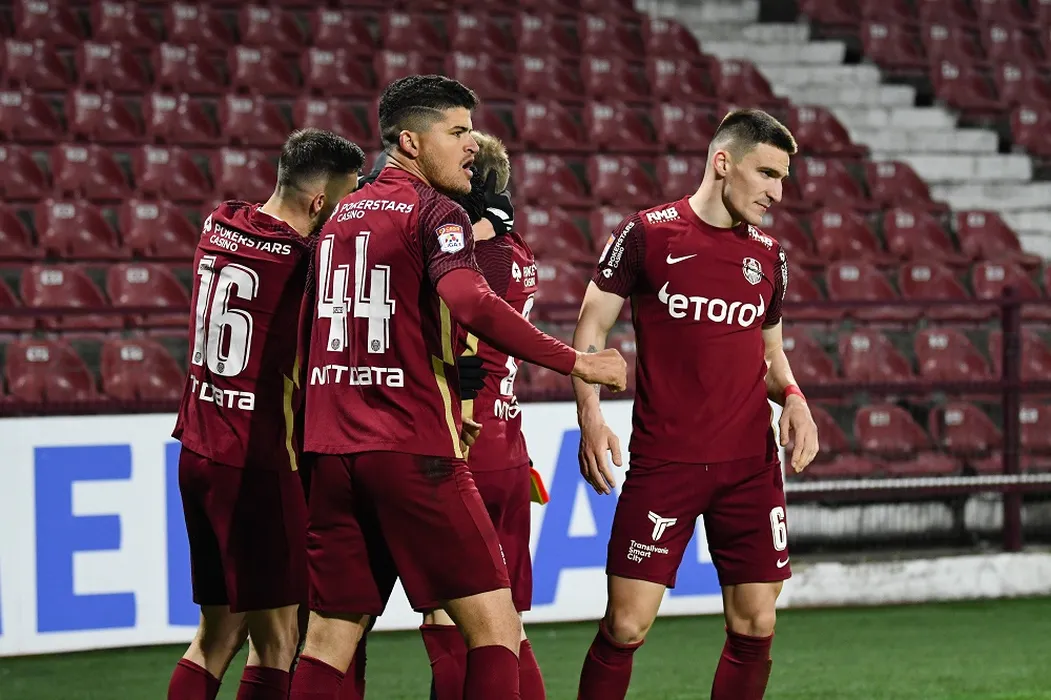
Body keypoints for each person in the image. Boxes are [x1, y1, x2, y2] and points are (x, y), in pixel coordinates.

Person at [288, 75, 626, 700]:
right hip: (412, 450)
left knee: (328, 640)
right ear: (410, 142)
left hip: (331, 453)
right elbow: (472, 302)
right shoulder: (435, 212)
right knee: (496, 628)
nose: (472, 144)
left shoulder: (338, 219)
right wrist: (576, 362)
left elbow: (308, 334)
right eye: (458, 131)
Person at [572, 109, 820, 700]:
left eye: (782, 179)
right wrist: (591, 416)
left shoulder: (770, 256)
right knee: (626, 625)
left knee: (756, 623)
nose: (776, 193)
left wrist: (793, 396)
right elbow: (591, 329)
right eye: (767, 174)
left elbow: (770, 352)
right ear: (723, 162)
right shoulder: (647, 234)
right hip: (666, 464)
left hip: (751, 465)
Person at [168, 129, 365, 700]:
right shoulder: (304, 266)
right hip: (257, 463)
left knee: (215, 634)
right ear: (320, 202)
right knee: (279, 641)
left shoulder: (220, 222)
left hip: (197, 450)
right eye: (345, 200)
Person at [418, 131, 547, 700]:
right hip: (509, 447)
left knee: (449, 617)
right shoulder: (517, 249)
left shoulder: (469, 255)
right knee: (504, 621)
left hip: (464, 440)